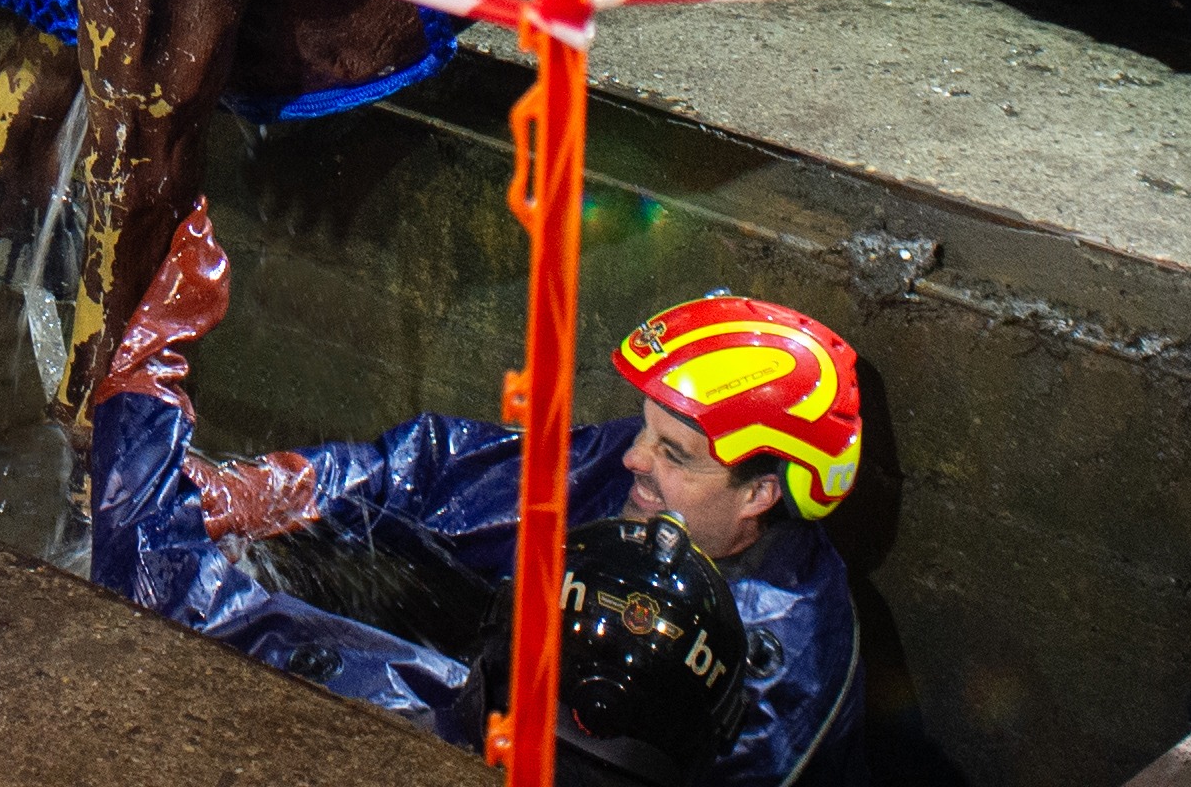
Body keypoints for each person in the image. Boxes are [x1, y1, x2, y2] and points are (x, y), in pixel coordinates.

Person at [84, 207, 866, 784]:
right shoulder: (669, 494)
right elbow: (454, 473)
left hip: (490, 745)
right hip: (513, 714)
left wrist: (139, 409)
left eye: (673, 453)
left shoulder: (772, 683)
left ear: (762, 491)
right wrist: (289, 488)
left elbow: (153, 580)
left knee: (181, 599)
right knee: (337, 538)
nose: (633, 458)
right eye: (645, 431)